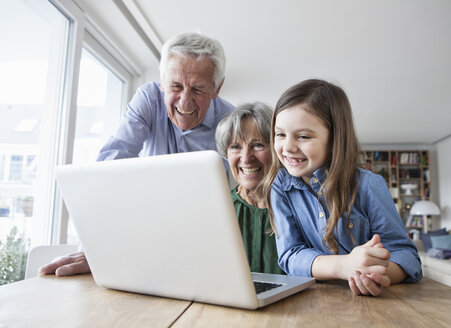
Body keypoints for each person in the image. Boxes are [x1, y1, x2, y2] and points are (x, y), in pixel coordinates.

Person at [39, 32, 234, 277]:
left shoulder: (231, 122)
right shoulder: (150, 99)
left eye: (197, 89)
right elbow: (110, 168)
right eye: (175, 86)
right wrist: (95, 248)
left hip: (199, 240)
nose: (185, 101)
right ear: (162, 81)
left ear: (217, 88)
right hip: (142, 232)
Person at [264, 79, 422, 296]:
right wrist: (345, 266)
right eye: (280, 134)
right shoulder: (280, 188)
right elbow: (290, 255)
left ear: (335, 138)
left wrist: (375, 275)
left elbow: (406, 255)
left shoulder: (369, 185)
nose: (288, 147)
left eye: (303, 136)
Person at [215, 102, 284, 274]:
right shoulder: (218, 209)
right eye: (235, 147)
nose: (246, 159)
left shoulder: (299, 208)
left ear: (277, 149)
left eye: (258, 145)